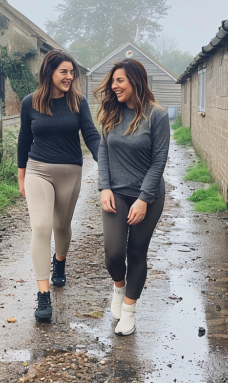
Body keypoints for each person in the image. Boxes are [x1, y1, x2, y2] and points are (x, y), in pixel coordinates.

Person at [17, 49, 100, 321]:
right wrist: (21, 175)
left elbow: (91, 135)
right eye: (63, 71)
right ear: (49, 72)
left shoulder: (78, 102)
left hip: (70, 172)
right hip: (38, 170)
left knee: (61, 227)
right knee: (40, 227)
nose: (69, 76)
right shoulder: (30, 103)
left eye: (71, 72)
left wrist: (108, 164)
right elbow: (24, 139)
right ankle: (43, 295)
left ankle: (59, 263)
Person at [94, 59, 170, 336]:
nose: (114, 86)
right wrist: (104, 187)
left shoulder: (157, 116)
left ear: (136, 81)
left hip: (147, 196)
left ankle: (129, 311)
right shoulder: (111, 114)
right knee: (113, 254)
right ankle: (119, 286)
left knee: (136, 252)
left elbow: (159, 161)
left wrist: (144, 199)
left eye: (120, 81)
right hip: (116, 193)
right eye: (113, 81)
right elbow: (103, 152)